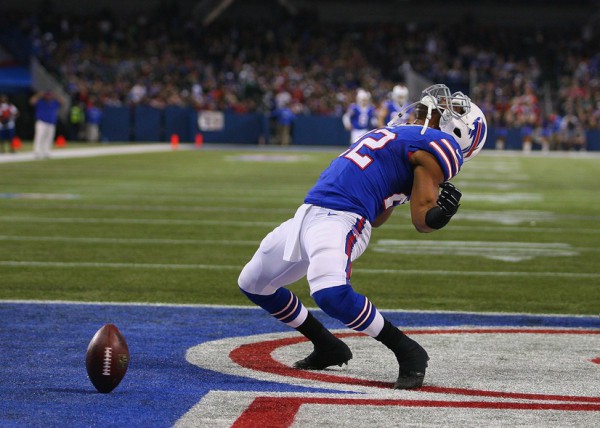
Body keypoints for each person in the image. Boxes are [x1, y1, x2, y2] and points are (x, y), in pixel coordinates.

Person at [238, 84, 487, 389]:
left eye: (453, 110)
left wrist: (440, 214)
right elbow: (381, 216)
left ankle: (408, 351)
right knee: (254, 283)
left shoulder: (438, 144)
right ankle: (327, 345)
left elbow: (422, 221)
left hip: (342, 216)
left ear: (460, 132)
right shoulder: (405, 135)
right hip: (310, 211)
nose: (431, 109)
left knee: (330, 292)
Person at [30, 90, 65, 159]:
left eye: (50, 96)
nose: (48, 97)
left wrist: (56, 95)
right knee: (39, 136)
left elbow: (62, 101)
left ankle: (46, 151)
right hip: (42, 122)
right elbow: (32, 101)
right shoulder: (41, 102)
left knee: (49, 138)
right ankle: (37, 151)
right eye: (47, 96)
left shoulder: (54, 103)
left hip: (51, 122)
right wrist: (39, 95)